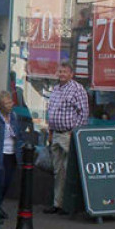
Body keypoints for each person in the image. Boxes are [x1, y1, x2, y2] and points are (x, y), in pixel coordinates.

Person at [43, 61, 89, 215]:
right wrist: (50, 131)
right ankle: (58, 204)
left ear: (71, 74)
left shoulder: (77, 89)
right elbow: (51, 111)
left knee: (70, 170)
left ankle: (70, 205)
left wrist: (75, 132)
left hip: (68, 134)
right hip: (56, 133)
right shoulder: (55, 89)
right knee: (58, 170)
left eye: (64, 72)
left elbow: (83, 113)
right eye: (60, 71)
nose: (61, 74)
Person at [0, 90, 20, 220]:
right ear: (0, 105)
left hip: (12, 153)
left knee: (8, 182)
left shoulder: (14, 116)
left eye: (10, 102)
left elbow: (18, 134)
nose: (10, 105)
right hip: (0, 153)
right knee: (0, 182)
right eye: (7, 103)